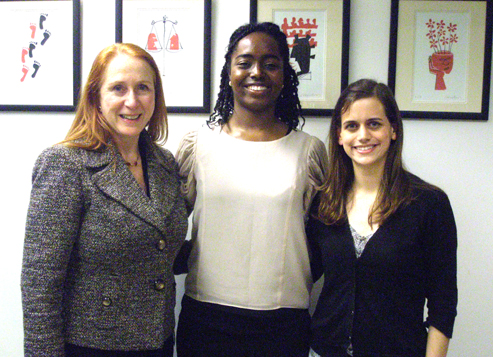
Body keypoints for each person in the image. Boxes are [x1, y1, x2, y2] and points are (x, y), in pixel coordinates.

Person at [21, 43, 188, 357]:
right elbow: (40, 283)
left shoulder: (165, 165)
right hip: (90, 346)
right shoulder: (65, 164)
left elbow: (161, 250)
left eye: (143, 88)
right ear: (95, 96)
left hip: (159, 342)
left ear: (156, 96)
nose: (132, 100)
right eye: (118, 88)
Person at [174, 22, 328, 356]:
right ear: (229, 72)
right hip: (206, 318)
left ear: (284, 75)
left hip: (283, 323)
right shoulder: (197, 145)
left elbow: (326, 240)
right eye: (244, 63)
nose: (256, 72)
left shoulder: (309, 151)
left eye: (270, 64)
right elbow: (165, 228)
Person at [307, 79, 458, 357]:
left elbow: (443, 304)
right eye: (352, 126)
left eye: (374, 124)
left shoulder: (429, 204)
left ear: (393, 131)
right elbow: (303, 275)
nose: (363, 135)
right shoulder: (324, 202)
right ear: (339, 135)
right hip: (323, 350)